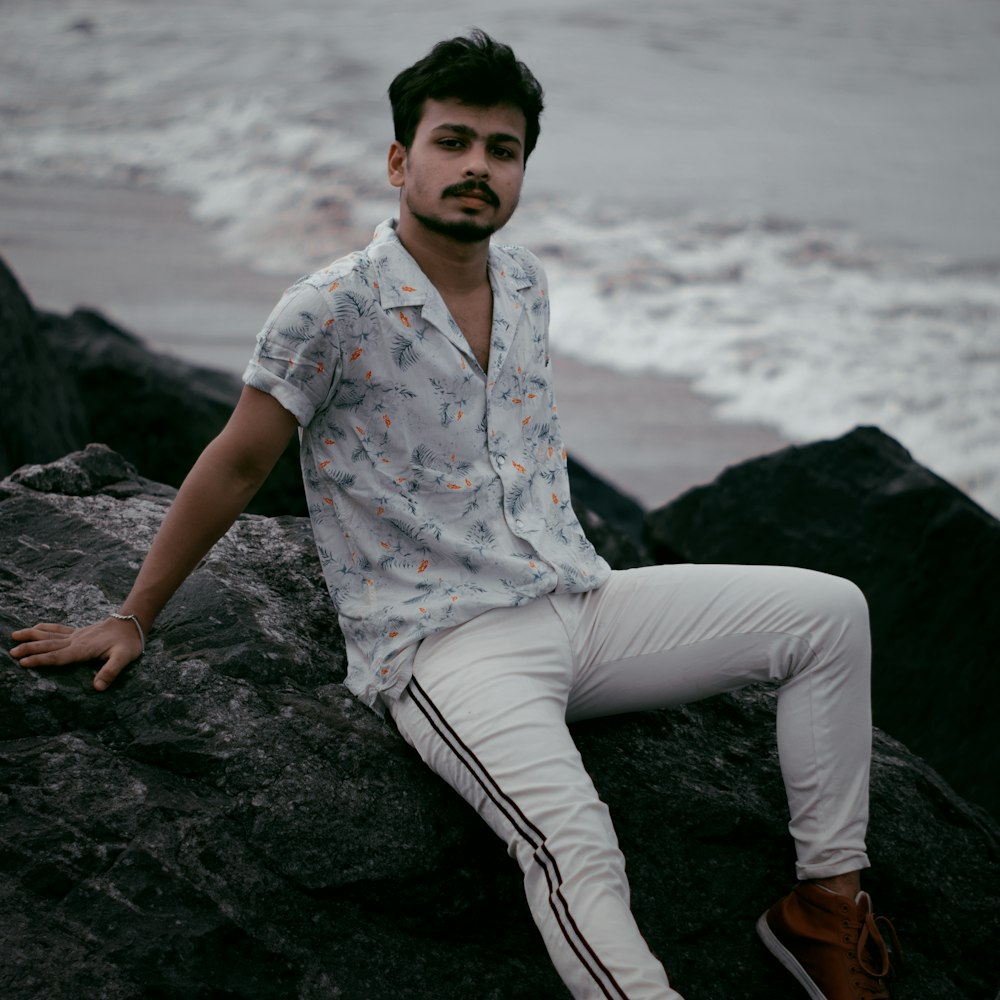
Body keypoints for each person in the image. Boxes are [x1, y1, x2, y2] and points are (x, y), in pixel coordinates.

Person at [10, 30, 899, 1000]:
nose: (477, 165)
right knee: (576, 847)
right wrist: (132, 613)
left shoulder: (525, 284)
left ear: (521, 171)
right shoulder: (330, 307)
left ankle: (823, 906)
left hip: (580, 601)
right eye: (454, 140)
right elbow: (237, 461)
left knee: (828, 613)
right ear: (401, 159)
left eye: (502, 149)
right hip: (446, 645)